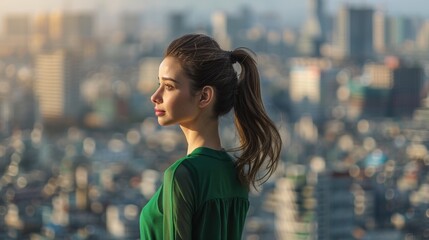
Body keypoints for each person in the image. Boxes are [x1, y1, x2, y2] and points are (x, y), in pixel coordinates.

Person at [140, 33, 282, 239]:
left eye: (169, 86)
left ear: (204, 96)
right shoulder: (237, 174)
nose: (155, 96)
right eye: (159, 84)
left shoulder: (182, 175)